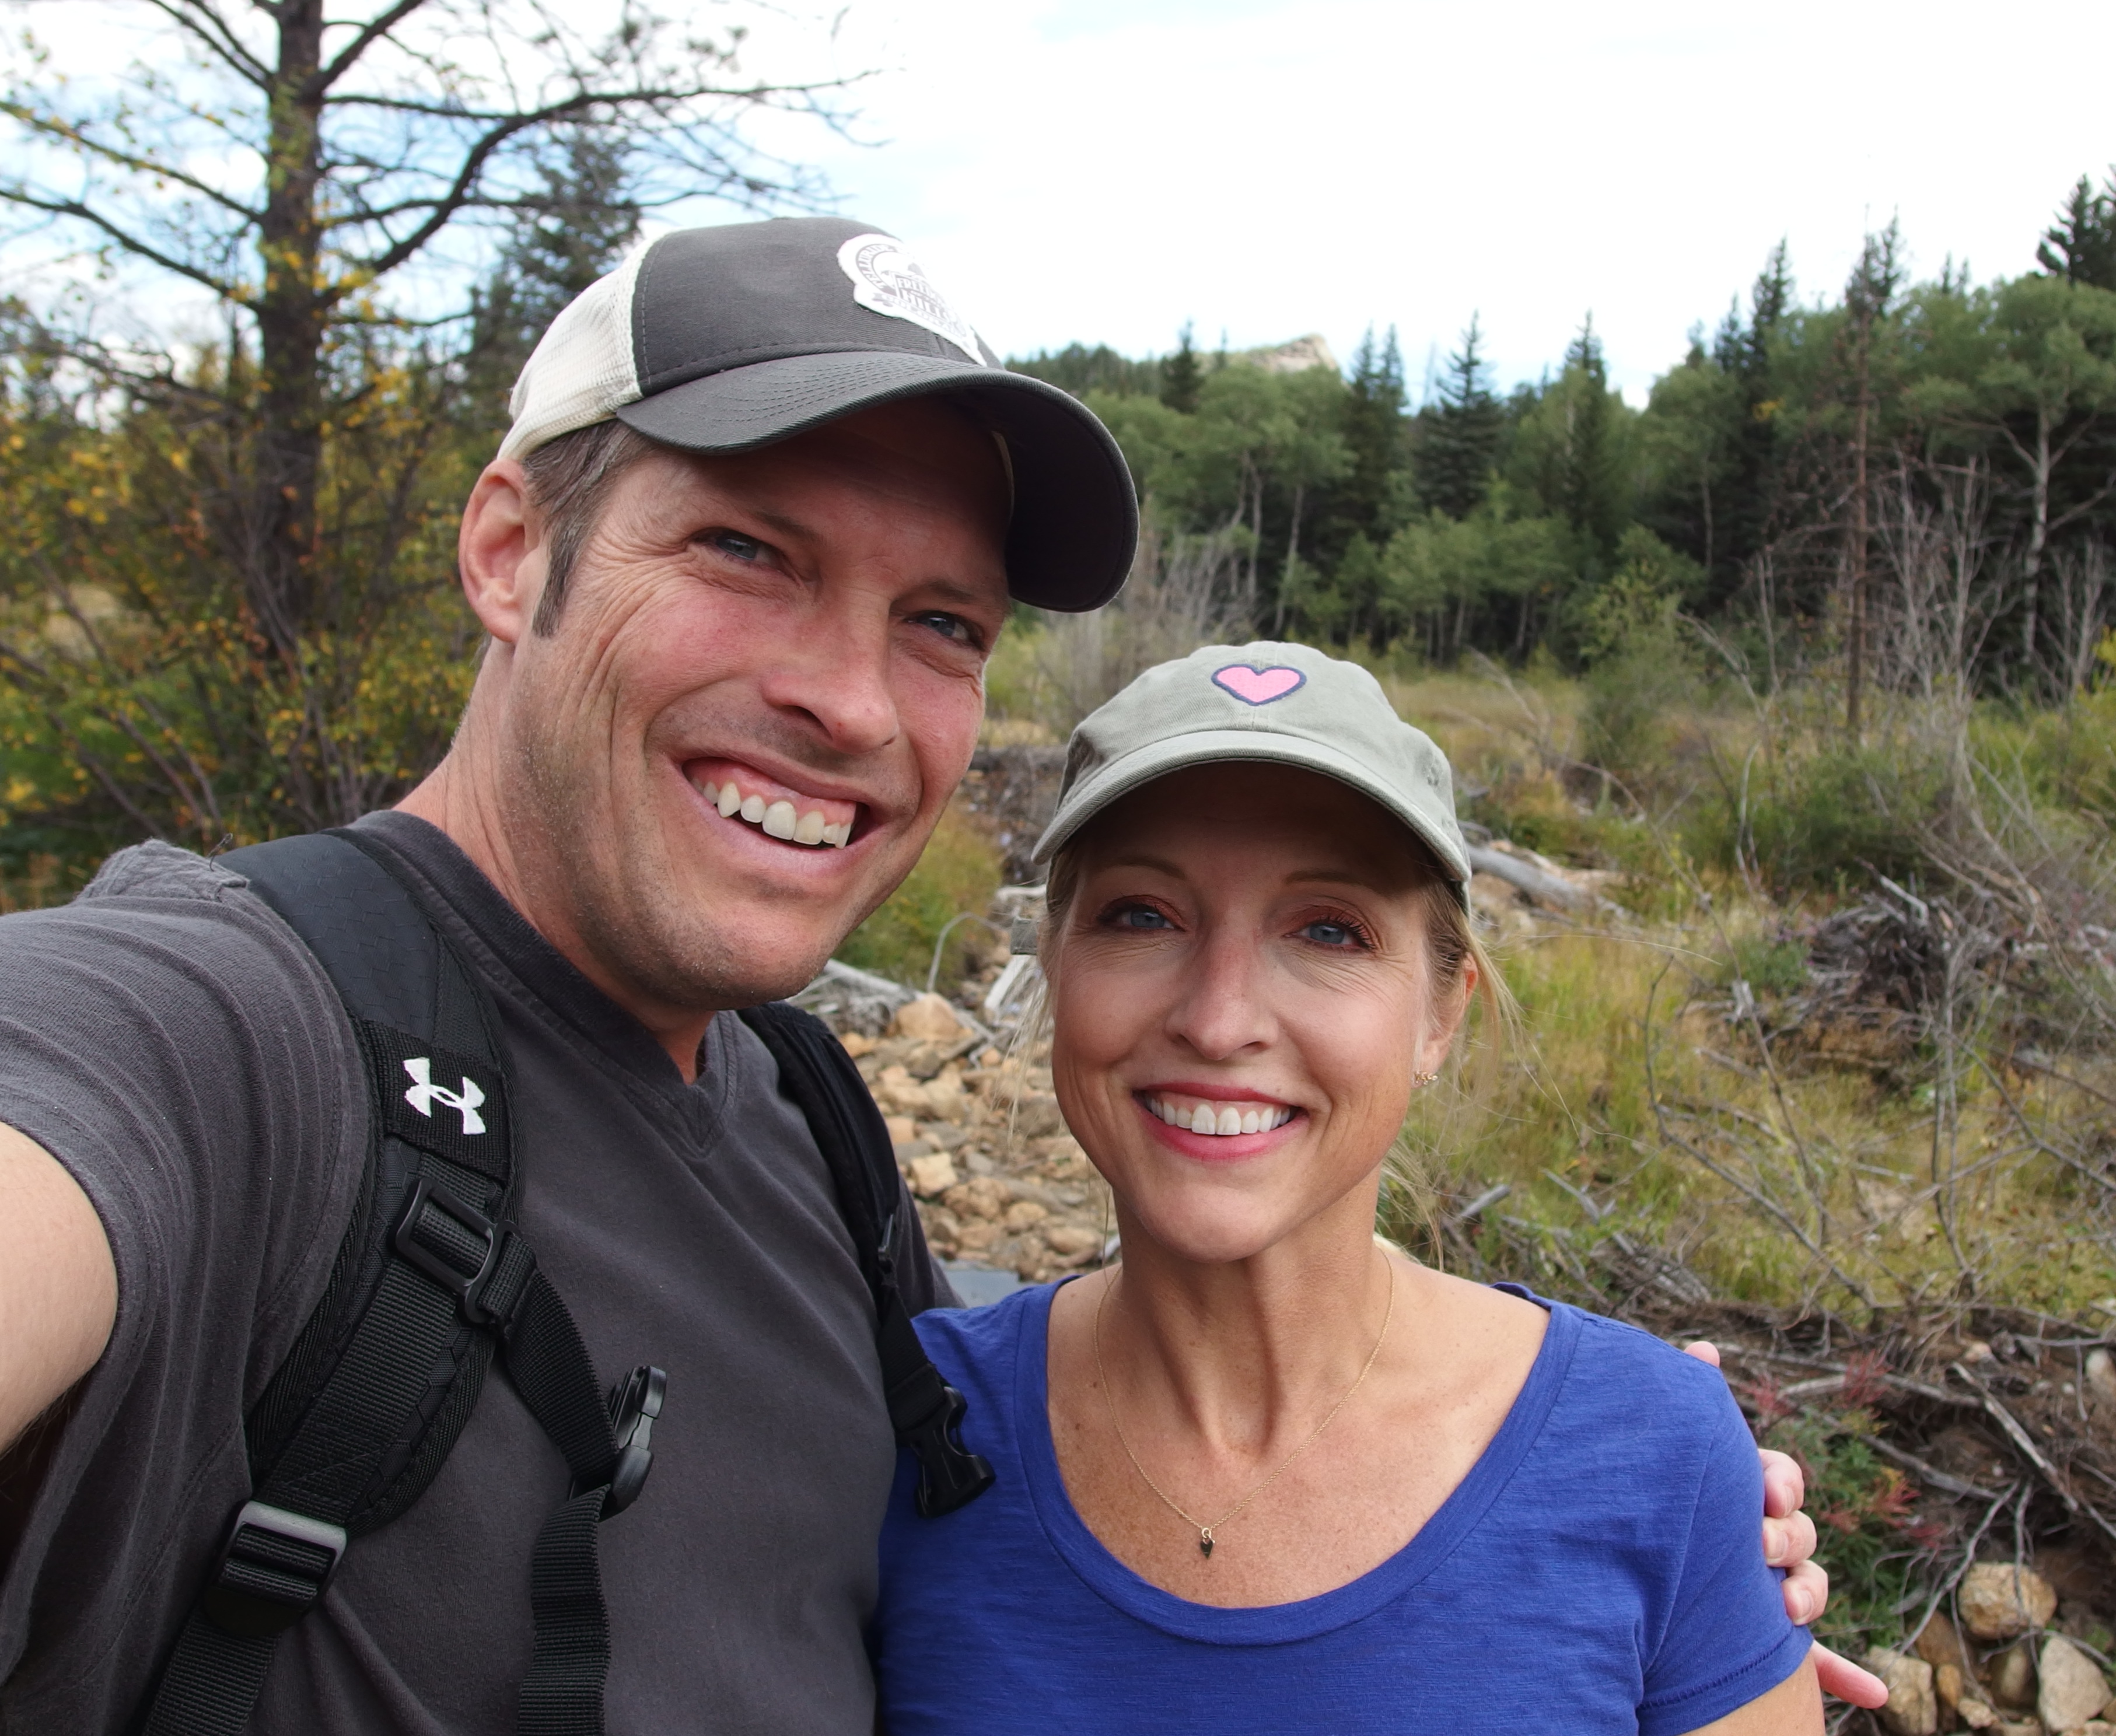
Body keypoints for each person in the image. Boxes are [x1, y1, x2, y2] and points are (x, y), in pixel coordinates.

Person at [0, 220, 1865, 1732]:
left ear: (1448, 1004)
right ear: (510, 547)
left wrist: (1636, 1473)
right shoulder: (228, 1040)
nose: (846, 697)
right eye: (748, 547)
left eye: (941, 625)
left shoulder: (808, 1152)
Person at [876, 643, 1825, 1735]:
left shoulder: (1655, 1454)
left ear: (1441, 1014)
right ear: (1053, 963)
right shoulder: (900, 1436)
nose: (1219, 1018)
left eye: (1329, 929)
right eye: (1143, 915)